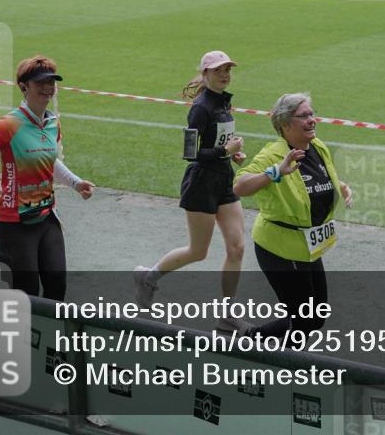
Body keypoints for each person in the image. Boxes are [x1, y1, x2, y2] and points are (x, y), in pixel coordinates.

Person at [0, 55, 95, 301]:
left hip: (47, 218)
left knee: (56, 289)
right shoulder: (8, 125)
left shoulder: (51, 123)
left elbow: (48, 159)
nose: (48, 88)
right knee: (26, 295)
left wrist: (75, 182)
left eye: (51, 82)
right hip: (14, 225)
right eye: (40, 82)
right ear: (23, 87)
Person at [133, 51, 247, 320]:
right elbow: (190, 152)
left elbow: (217, 141)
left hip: (224, 180)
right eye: (218, 70)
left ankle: (227, 314)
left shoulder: (223, 102)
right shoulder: (201, 108)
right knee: (198, 252)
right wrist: (224, 151)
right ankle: (149, 278)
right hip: (202, 184)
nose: (225, 75)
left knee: (237, 247)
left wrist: (232, 154)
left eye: (228, 70)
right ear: (205, 73)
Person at [232, 93, 353, 339]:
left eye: (312, 113)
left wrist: (339, 186)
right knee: (303, 320)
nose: (312, 120)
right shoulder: (273, 155)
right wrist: (276, 171)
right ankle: (266, 354)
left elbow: (320, 176)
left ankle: (252, 339)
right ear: (285, 124)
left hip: (308, 247)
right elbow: (240, 186)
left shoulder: (317, 146)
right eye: (303, 116)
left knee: (315, 317)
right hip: (280, 249)